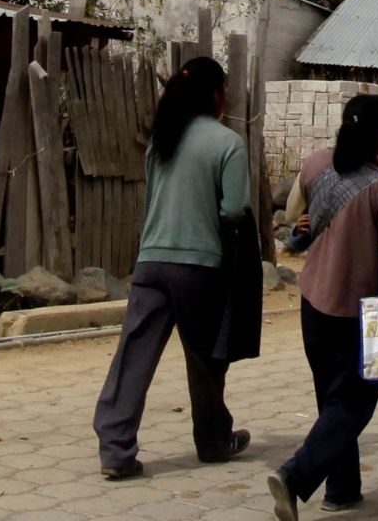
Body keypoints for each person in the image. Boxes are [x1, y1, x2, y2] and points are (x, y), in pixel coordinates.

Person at [93, 56, 252, 479]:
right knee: (205, 358)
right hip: (199, 266)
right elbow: (235, 208)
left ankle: (115, 450)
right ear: (216, 94)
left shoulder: (160, 142)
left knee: (134, 355)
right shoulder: (227, 143)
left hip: (151, 261)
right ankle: (214, 440)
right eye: (225, 91)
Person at [266, 94, 378, 520]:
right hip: (359, 312)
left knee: (331, 399)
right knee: (355, 403)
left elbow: (293, 214)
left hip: (313, 303)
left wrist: (309, 226)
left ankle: (343, 489)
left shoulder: (314, 165)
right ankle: (294, 477)